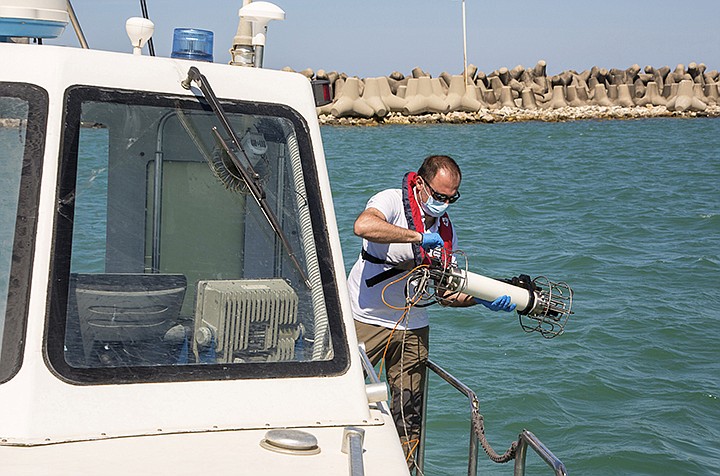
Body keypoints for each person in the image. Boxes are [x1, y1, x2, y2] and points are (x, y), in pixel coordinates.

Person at [347, 155, 515, 468]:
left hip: (414, 327)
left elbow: (446, 295)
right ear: (421, 185)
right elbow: (363, 225)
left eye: (452, 198)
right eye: (440, 196)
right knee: (347, 398)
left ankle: (402, 469)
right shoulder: (392, 201)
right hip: (364, 318)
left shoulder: (446, 230)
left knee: (409, 417)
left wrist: (481, 300)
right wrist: (417, 237)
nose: (445, 204)